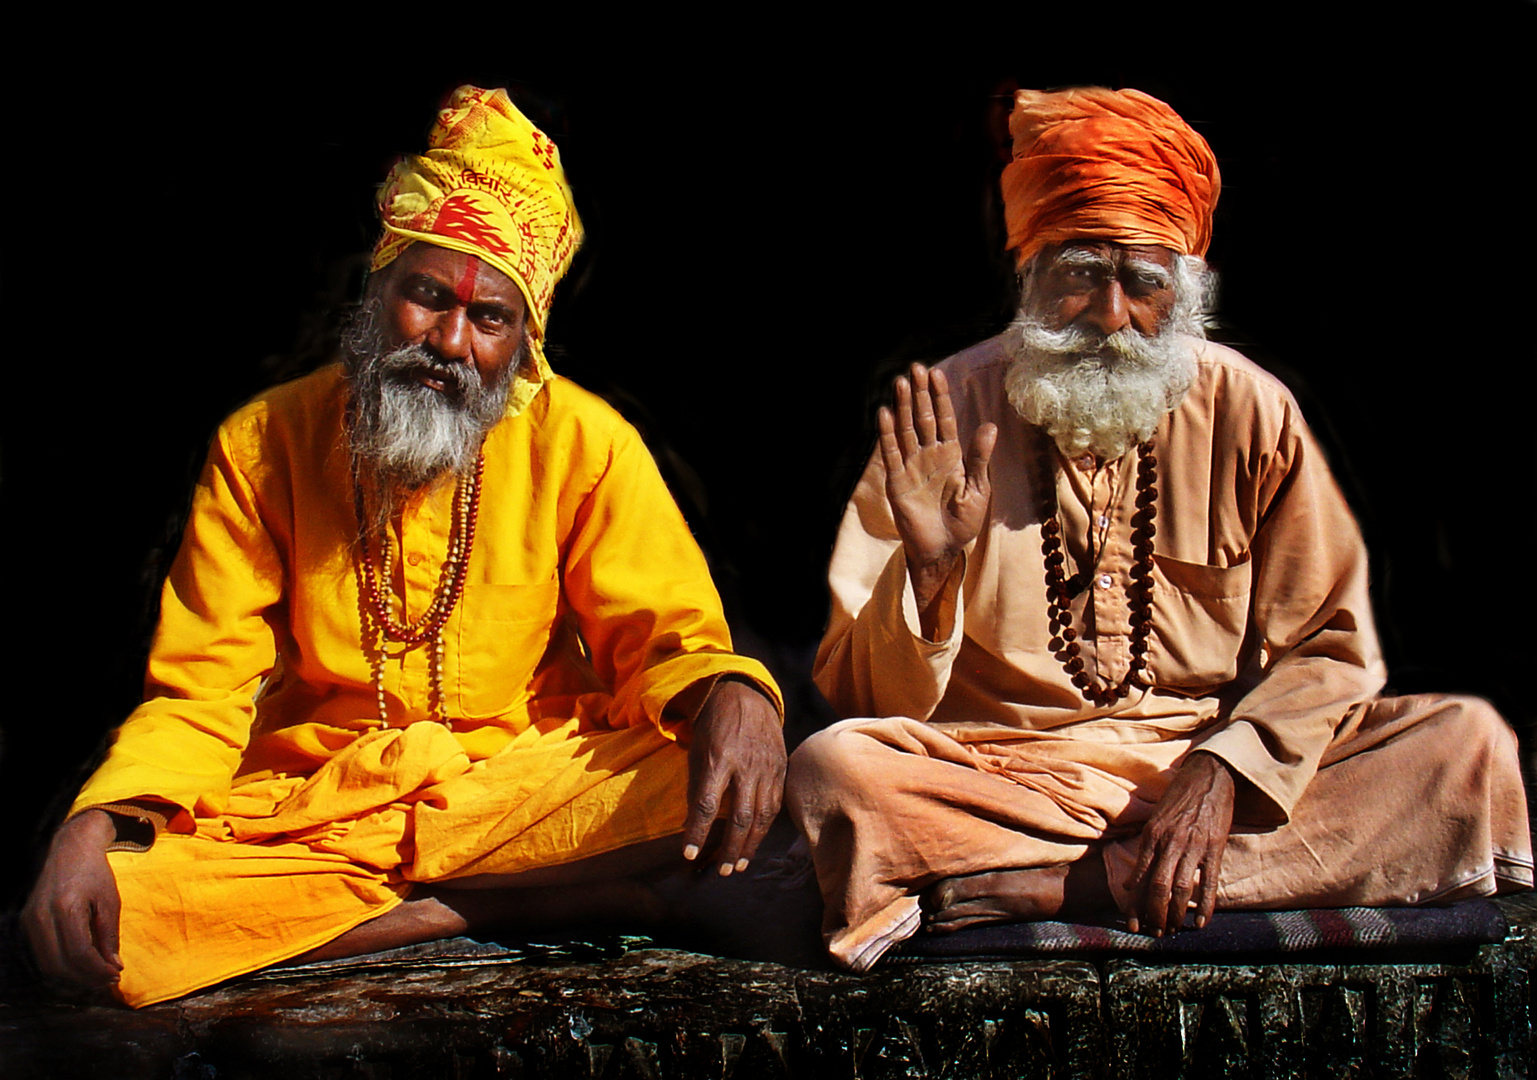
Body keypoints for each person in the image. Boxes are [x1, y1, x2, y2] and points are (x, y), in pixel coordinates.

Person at [22, 86, 785, 1007]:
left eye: (489, 318)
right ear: (380, 287)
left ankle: (415, 907)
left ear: (524, 340)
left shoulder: (583, 440)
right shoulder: (262, 443)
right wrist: (95, 824)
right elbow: (202, 691)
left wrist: (734, 692)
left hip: (511, 787)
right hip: (311, 809)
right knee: (119, 921)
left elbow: (667, 642)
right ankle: (499, 909)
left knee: (706, 778)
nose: (450, 340)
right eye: (429, 296)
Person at [787, 86, 1531, 972]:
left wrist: (1222, 773)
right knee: (837, 773)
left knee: (1464, 747)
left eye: (1141, 281)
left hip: (1209, 778)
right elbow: (865, 698)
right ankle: (1188, 879)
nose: (1108, 314)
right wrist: (932, 569)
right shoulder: (947, 412)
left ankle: (1087, 887)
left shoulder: (1249, 407)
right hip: (1002, 779)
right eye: (1078, 273)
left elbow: (1329, 649)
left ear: (1183, 289)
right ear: (1028, 275)